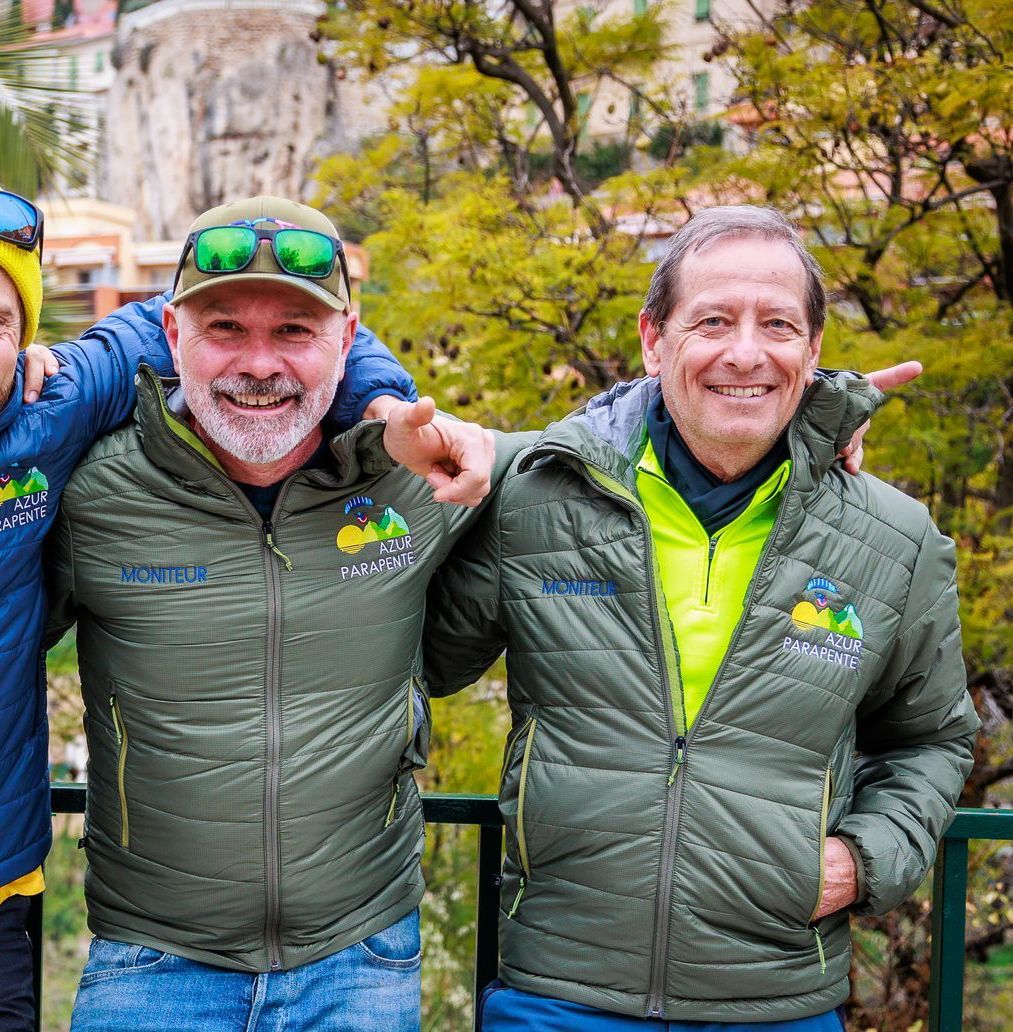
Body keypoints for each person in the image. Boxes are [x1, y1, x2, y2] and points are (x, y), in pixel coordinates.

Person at [425, 205, 979, 1030]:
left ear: (813, 351)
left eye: (778, 325)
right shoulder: (537, 503)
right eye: (712, 320)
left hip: (776, 999)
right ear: (654, 340)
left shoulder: (893, 541)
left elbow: (933, 737)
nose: (745, 352)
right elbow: (420, 661)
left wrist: (862, 861)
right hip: (558, 992)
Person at [0, 185, 471, 1032]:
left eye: (294, 331)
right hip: (150, 961)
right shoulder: (94, 489)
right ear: (173, 336)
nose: (260, 364)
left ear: (347, 341)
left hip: (363, 957)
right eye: (225, 330)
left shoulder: (431, 474)